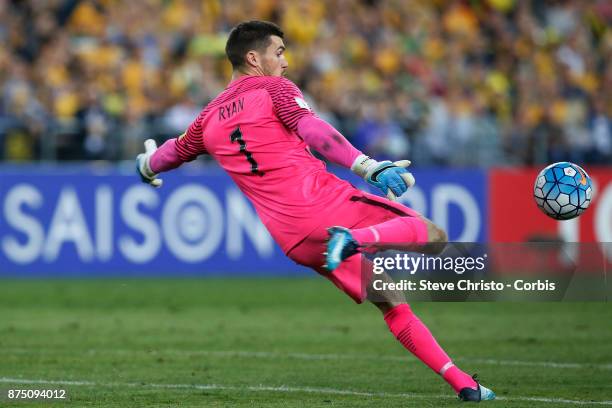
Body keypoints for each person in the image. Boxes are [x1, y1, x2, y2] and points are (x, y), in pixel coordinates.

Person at [136, 20, 495, 402]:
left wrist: (145, 165)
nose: (285, 62)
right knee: (435, 236)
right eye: (279, 52)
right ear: (253, 58)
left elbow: (172, 152)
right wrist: (367, 166)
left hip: (295, 241)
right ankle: (354, 239)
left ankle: (465, 385)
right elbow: (314, 131)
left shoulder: (207, 118)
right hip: (325, 206)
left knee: (389, 298)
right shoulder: (273, 89)